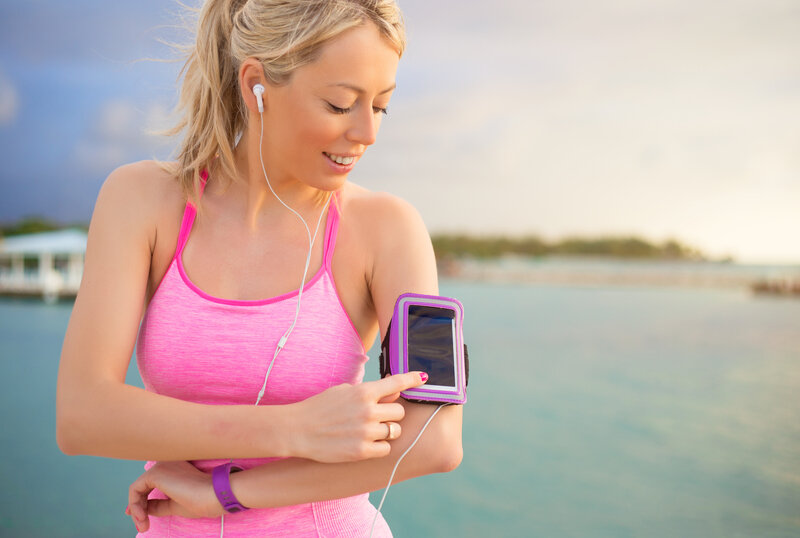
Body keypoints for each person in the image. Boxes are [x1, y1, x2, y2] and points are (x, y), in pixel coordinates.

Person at [55, 0, 463, 536]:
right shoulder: (140, 201)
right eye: (341, 105)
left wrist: (224, 494)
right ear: (256, 86)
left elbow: (434, 437)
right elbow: (82, 415)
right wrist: (291, 428)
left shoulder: (391, 230)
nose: (367, 133)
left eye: (381, 106)